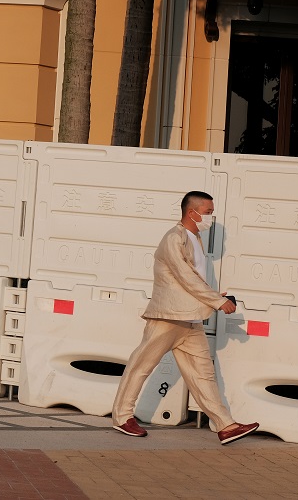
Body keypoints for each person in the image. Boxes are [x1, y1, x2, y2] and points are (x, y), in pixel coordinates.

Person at [110, 190, 259, 445]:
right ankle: (122, 417)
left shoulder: (195, 238)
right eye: (208, 212)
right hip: (168, 317)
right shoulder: (174, 238)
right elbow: (184, 276)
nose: (210, 218)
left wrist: (213, 295)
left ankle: (225, 426)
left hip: (190, 319)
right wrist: (217, 301)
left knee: (203, 375)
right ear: (192, 212)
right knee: (141, 366)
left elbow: (192, 279)